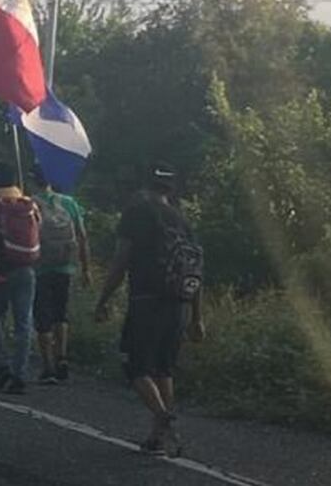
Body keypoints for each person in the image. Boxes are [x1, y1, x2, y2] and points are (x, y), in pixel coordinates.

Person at [95, 162, 205, 456]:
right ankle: (157, 439)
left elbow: (121, 261)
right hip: (179, 303)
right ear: (172, 189)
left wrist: (103, 299)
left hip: (146, 300)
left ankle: (163, 416)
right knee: (163, 369)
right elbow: (195, 270)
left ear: (145, 186)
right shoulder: (183, 221)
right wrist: (197, 317)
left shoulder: (137, 213)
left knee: (135, 366)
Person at [0, 161, 41, 395]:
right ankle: (19, 374)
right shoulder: (28, 205)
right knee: (24, 323)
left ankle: (1, 365)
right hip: (26, 269)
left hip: (0, 271)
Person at [29, 164, 92, 385]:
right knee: (60, 313)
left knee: (42, 317)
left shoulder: (31, 204)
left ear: (33, 180)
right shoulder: (69, 203)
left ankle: (48, 367)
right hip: (65, 266)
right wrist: (86, 268)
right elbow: (82, 237)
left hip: (40, 267)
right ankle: (62, 357)